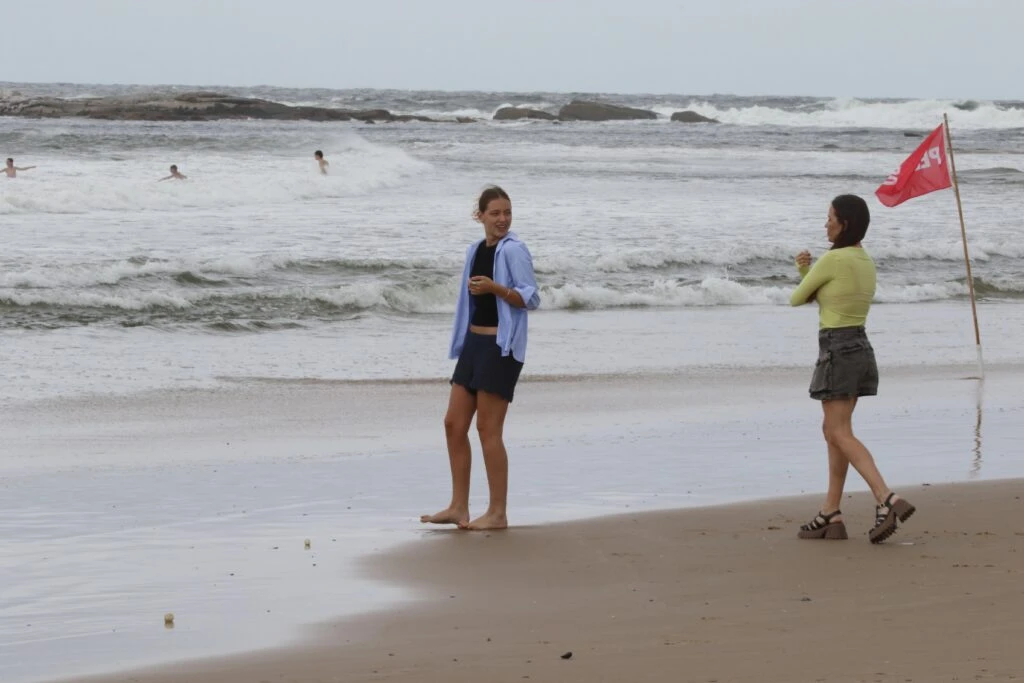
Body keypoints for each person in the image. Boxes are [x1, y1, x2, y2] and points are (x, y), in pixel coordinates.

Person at [790, 194, 915, 543]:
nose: (825, 224)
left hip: (837, 349)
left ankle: (886, 498)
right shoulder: (864, 261)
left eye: (830, 218)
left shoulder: (833, 259)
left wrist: (804, 272)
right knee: (834, 431)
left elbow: (798, 298)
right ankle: (831, 512)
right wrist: (808, 272)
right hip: (860, 347)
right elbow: (829, 297)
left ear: (844, 223)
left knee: (839, 432)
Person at [421, 186, 540, 531]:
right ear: (480, 216)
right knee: (453, 424)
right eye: (495, 213)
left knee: (488, 429)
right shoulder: (474, 250)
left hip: (501, 348)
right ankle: (459, 507)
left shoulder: (515, 250)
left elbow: (531, 299)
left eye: (507, 213)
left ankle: (497, 512)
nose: (503, 219)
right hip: (474, 344)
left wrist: (495, 289)